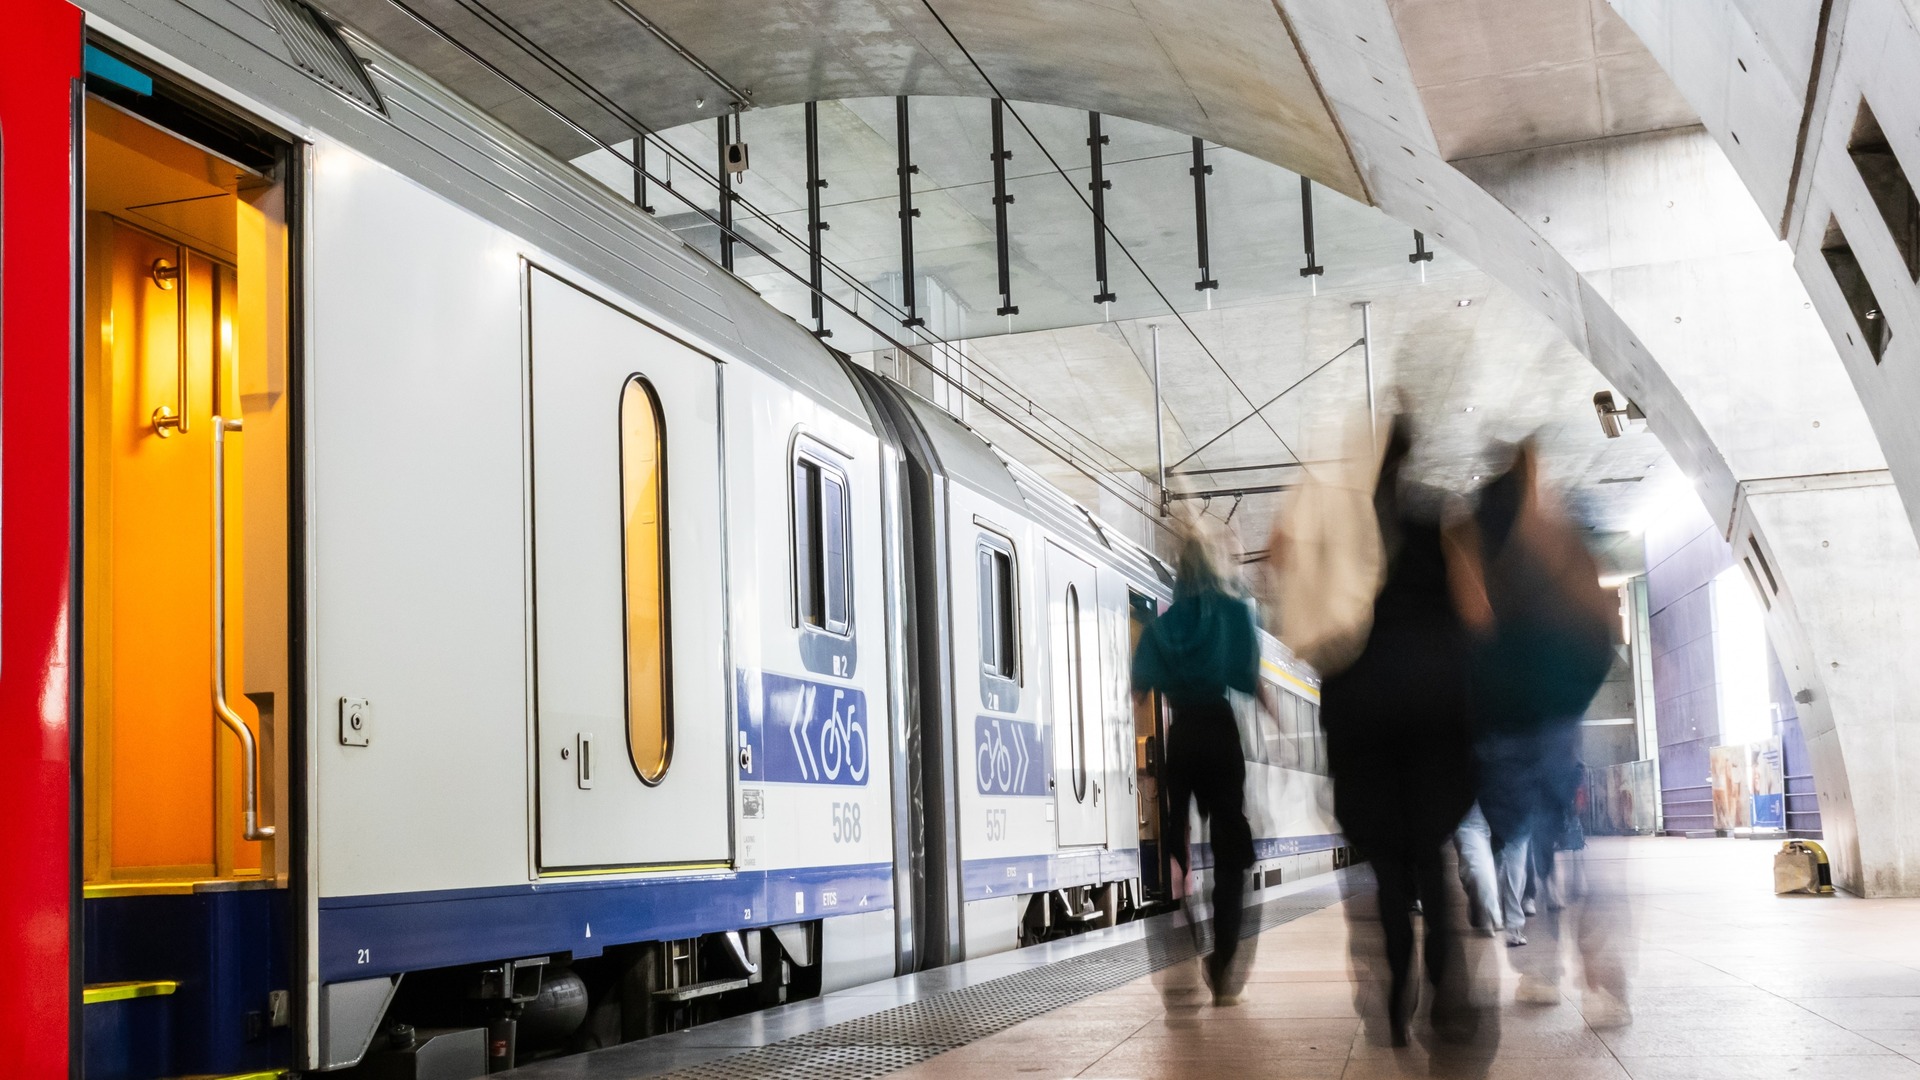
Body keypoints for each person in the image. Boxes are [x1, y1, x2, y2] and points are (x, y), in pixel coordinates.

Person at [1318, 417, 1481, 1045]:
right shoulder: (1433, 528)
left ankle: (1397, 995)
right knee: (1432, 864)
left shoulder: (1345, 539)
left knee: (1388, 875)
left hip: (1366, 732)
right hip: (1432, 726)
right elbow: (1466, 624)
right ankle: (1445, 986)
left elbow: (1327, 637)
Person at [1466, 441, 1620, 1007]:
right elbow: (1601, 638)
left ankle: (1540, 972)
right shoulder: (1561, 554)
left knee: (1522, 848)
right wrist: (1571, 702)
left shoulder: (1480, 562)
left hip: (1503, 736)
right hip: (1557, 727)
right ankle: (1603, 976)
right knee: (1567, 856)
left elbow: (1467, 650)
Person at [1131, 525, 1259, 1006]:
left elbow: (1139, 689)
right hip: (1219, 731)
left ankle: (1183, 918)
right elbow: (1247, 680)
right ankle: (1223, 956)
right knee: (1229, 846)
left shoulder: (1160, 626)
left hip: (1181, 736)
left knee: (1176, 837)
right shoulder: (1233, 613)